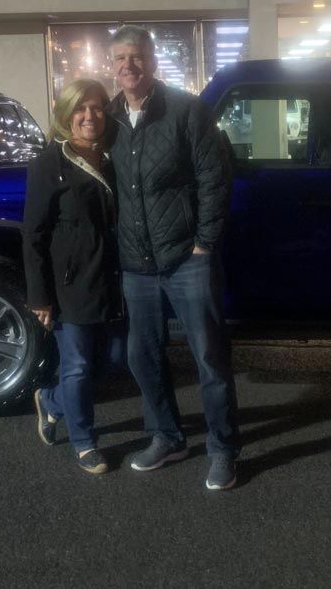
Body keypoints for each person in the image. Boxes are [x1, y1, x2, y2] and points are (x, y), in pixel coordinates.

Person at [107, 25, 240, 491]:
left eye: (137, 56)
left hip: (187, 257)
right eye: (121, 58)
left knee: (210, 358)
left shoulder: (186, 109)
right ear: (112, 64)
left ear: (152, 60)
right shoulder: (108, 118)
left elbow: (213, 177)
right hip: (136, 264)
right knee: (143, 356)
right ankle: (167, 436)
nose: (129, 65)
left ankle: (223, 449)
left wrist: (204, 241)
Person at [23, 79, 124, 475]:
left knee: (114, 358)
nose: (89, 116)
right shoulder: (51, 162)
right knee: (78, 366)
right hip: (71, 284)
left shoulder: (114, 156)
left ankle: (50, 402)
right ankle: (85, 442)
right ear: (67, 114)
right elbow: (33, 233)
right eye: (80, 109)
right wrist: (39, 296)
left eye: (97, 108)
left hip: (113, 278)